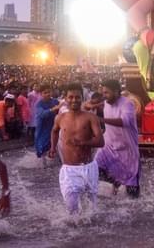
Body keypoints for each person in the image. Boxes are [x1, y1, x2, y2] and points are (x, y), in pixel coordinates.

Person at [49, 83, 104, 214]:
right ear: (65, 99)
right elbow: (54, 131)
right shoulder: (60, 118)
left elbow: (101, 141)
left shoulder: (90, 117)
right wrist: (52, 147)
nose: (74, 100)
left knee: (90, 209)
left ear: (82, 98)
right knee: (71, 208)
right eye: (71, 97)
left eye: (77, 97)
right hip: (69, 170)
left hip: (89, 167)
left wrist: (83, 142)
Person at [95, 79, 141, 198]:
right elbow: (99, 105)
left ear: (116, 92)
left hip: (127, 149)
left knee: (132, 190)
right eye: (103, 93)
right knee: (96, 168)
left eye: (107, 93)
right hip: (109, 147)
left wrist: (102, 120)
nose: (104, 96)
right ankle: (114, 185)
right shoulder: (106, 103)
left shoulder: (127, 104)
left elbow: (125, 121)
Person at [34, 84, 60, 164]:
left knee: (54, 144)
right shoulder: (39, 104)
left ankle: (55, 162)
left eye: (49, 92)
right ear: (41, 94)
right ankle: (43, 165)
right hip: (42, 128)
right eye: (45, 93)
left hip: (53, 126)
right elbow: (42, 114)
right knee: (42, 147)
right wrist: (53, 109)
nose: (47, 94)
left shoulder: (55, 101)